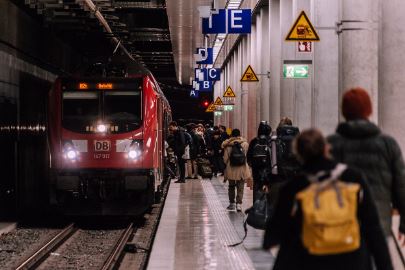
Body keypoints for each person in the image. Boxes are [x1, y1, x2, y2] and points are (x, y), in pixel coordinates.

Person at [264, 128, 393, 270]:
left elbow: (274, 233)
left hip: (310, 260)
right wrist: (385, 266)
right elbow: (372, 226)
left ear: (298, 153)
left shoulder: (294, 187)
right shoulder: (353, 177)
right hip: (352, 259)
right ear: (326, 148)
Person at [327, 88, 405, 262]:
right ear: (369, 110)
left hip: (338, 224)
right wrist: (403, 224)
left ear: (344, 111)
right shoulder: (387, 144)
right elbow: (401, 187)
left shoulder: (331, 144)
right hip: (378, 224)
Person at [222, 129, 252, 212]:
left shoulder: (228, 145)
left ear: (231, 135)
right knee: (240, 187)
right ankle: (239, 204)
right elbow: (247, 156)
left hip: (231, 168)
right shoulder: (245, 144)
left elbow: (225, 159)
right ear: (240, 135)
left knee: (231, 186)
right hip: (242, 168)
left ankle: (232, 203)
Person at [247, 121, 272, 202]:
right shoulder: (271, 141)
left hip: (256, 171)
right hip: (269, 170)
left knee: (257, 188)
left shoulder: (254, 141)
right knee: (269, 189)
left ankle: (257, 208)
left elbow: (249, 156)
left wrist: (253, 165)